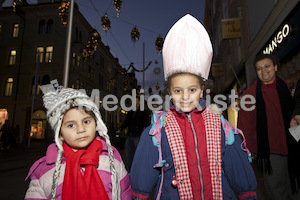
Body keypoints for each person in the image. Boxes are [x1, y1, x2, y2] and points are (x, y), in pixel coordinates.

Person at [130, 14, 257, 200]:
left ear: (202, 90)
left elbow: (235, 164)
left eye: (192, 89)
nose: (186, 96)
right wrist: (138, 195)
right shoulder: (157, 131)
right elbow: (142, 175)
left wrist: (248, 195)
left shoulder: (219, 125)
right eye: (178, 90)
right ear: (169, 92)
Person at [25, 85, 131, 200]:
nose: (81, 129)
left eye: (86, 121)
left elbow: (125, 192)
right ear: (60, 134)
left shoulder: (112, 158)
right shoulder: (45, 170)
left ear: (96, 124)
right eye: (71, 125)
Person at [238, 54, 299, 199]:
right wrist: (249, 152)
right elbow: (245, 127)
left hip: (293, 146)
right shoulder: (250, 95)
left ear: (275, 67)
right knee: (277, 191)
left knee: (295, 186)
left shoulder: (284, 86)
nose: (263, 70)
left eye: (267, 66)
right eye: (259, 68)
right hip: (271, 152)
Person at [118, 96, 150, 171]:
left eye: (135, 101)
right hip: (129, 135)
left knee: (138, 154)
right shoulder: (131, 111)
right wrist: (121, 128)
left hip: (138, 137)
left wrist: (146, 134)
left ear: (139, 102)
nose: (133, 102)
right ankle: (130, 169)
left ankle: (138, 169)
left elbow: (146, 124)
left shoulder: (143, 112)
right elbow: (127, 121)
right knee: (127, 153)